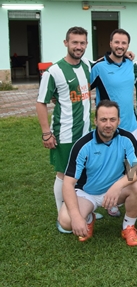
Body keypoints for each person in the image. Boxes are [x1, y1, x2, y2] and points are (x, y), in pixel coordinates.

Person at [57, 101, 137, 246]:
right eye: (103, 119)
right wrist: (76, 216)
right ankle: (88, 218)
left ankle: (128, 227)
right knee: (66, 221)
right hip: (87, 193)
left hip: (115, 191)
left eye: (112, 119)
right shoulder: (82, 145)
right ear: (96, 121)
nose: (108, 124)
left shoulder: (127, 138)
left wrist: (118, 185)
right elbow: (68, 183)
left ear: (119, 121)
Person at [36, 26, 92, 232]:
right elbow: (41, 102)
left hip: (86, 132)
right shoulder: (54, 71)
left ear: (86, 44)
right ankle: (63, 216)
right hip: (65, 134)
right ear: (66, 43)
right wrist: (46, 133)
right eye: (74, 42)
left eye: (82, 43)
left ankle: (82, 208)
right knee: (63, 174)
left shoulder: (87, 66)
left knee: (82, 172)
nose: (78, 46)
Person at [91, 28, 137, 144]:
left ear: (128, 46)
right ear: (110, 43)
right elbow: (81, 87)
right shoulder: (98, 67)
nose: (120, 46)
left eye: (124, 43)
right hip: (109, 128)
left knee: (134, 156)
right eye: (117, 42)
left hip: (132, 126)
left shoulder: (130, 63)